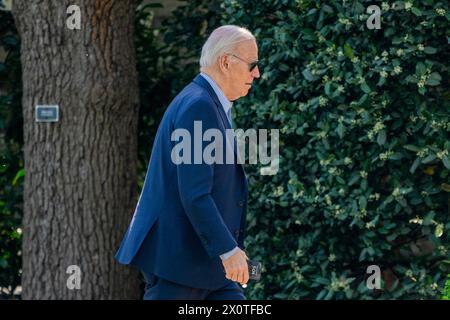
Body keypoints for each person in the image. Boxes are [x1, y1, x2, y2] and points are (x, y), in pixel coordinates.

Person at [115, 25, 260, 300]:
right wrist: (228, 251)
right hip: (180, 266)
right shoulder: (199, 106)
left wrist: (228, 250)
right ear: (226, 62)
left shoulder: (208, 103)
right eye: (252, 64)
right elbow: (195, 194)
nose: (257, 73)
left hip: (207, 268)